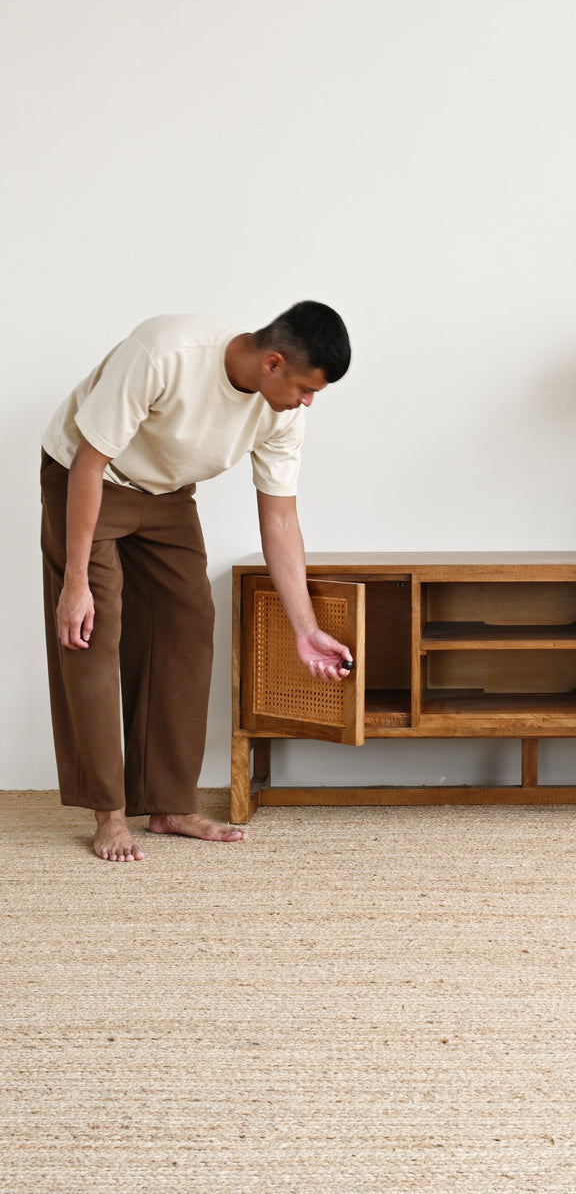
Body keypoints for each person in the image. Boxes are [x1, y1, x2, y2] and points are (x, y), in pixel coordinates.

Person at [40, 301, 353, 863]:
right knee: (91, 629)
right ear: (274, 363)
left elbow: (280, 519)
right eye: (307, 388)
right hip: (88, 476)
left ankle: (169, 804)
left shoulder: (282, 413)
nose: (308, 403)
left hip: (167, 495)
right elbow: (89, 462)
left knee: (187, 627)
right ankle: (109, 813)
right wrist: (75, 581)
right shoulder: (166, 352)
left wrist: (304, 627)